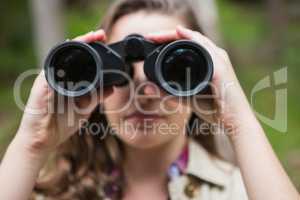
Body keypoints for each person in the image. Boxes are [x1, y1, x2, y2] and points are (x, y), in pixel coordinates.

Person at [0, 0, 299, 199]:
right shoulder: (48, 191)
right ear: (97, 78)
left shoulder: (241, 190)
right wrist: (31, 145)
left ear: (201, 79)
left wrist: (238, 121)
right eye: (123, 74)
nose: (143, 91)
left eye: (171, 70)